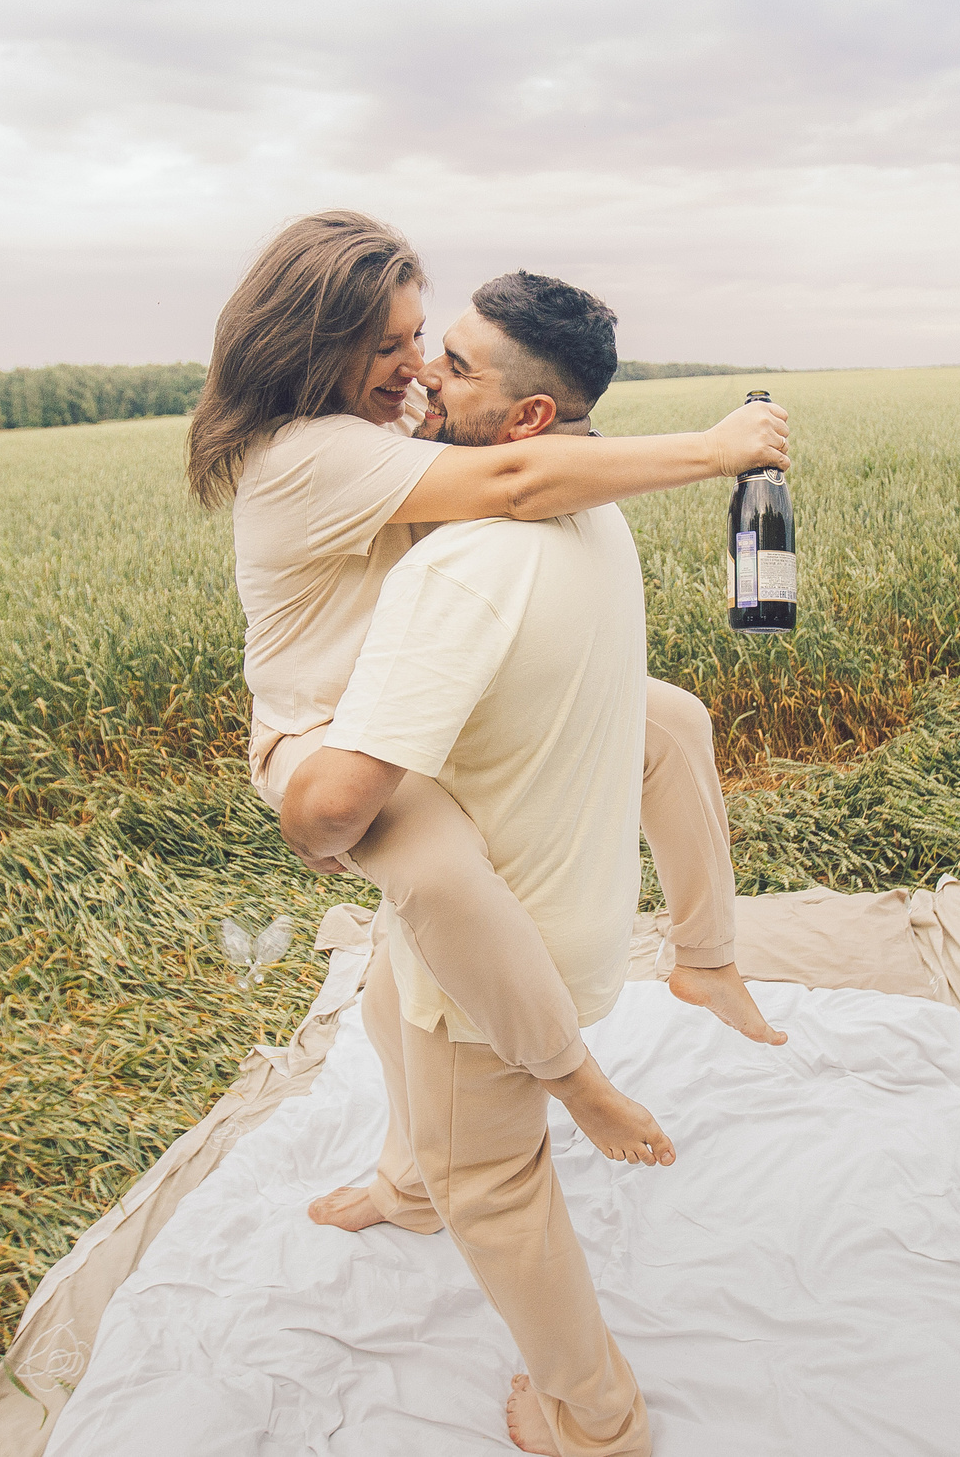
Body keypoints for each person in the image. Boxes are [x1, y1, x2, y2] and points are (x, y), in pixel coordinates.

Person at [187, 212, 787, 1172]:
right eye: (387, 346)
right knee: (435, 870)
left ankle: (706, 958)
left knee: (670, 720)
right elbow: (514, 476)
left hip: (415, 705)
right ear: (313, 347)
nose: (416, 366)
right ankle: (572, 1076)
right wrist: (717, 451)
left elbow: (530, 443)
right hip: (323, 735)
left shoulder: (383, 423)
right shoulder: (310, 452)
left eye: (419, 337)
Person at [277, 270, 670, 1455]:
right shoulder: (593, 517)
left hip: (496, 953)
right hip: (568, 898)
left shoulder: (460, 568)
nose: (422, 379)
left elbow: (342, 797)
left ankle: (594, 1416)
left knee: (494, 1188)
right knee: (383, 1005)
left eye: (453, 365)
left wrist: (314, 830)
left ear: (528, 419)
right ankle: (405, 1189)